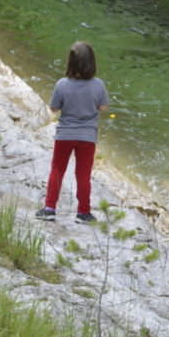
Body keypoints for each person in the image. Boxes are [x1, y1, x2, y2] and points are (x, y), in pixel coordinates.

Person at [36, 42, 110, 223]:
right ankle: (83, 212)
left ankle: (50, 208)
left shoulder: (62, 84)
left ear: (70, 62)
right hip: (87, 136)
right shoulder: (98, 85)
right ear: (92, 63)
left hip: (65, 135)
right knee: (83, 175)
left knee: (57, 170)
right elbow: (104, 107)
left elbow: (53, 108)